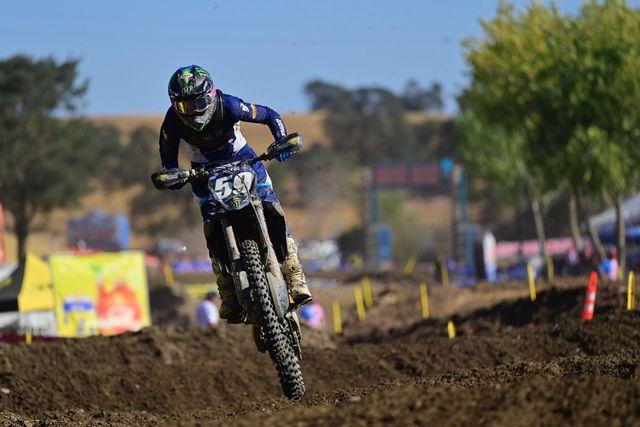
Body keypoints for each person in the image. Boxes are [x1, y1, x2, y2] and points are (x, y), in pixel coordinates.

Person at [151, 65, 312, 323]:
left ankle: (295, 274)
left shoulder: (230, 105)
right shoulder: (172, 121)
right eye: (186, 106)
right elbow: (167, 154)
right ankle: (226, 288)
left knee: (271, 206)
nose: (194, 111)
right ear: (174, 105)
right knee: (210, 223)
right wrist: (171, 174)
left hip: (243, 159)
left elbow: (269, 115)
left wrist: (281, 140)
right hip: (203, 171)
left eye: (199, 103)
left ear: (211, 95)